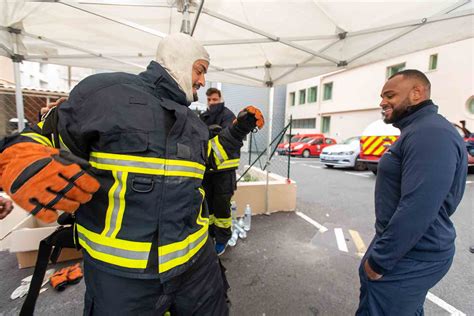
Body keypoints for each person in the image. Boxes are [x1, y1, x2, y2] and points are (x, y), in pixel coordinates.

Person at [0, 33, 264, 315]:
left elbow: (210, 160)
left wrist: (239, 129)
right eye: (199, 70)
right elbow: (44, 136)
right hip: (122, 281)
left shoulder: (194, 123)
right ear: (178, 60)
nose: (201, 81)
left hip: (197, 269)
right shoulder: (105, 93)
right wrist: (19, 156)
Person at [356, 69, 467, 315]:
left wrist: (380, 260)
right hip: (405, 251)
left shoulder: (430, 133)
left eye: (390, 95)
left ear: (417, 93)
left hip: (412, 255)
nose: (382, 102)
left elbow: (418, 206)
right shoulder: (418, 129)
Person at [200, 88, 238, 255]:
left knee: (222, 209)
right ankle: (210, 236)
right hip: (207, 172)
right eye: (209, 100)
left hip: (224, 172)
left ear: (221, 99)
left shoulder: (229, 116)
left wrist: (210, 134)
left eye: (215, 99)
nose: (212, 103)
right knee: (207, 207)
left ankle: (222, 240)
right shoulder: (203, 117)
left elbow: (228, 141)